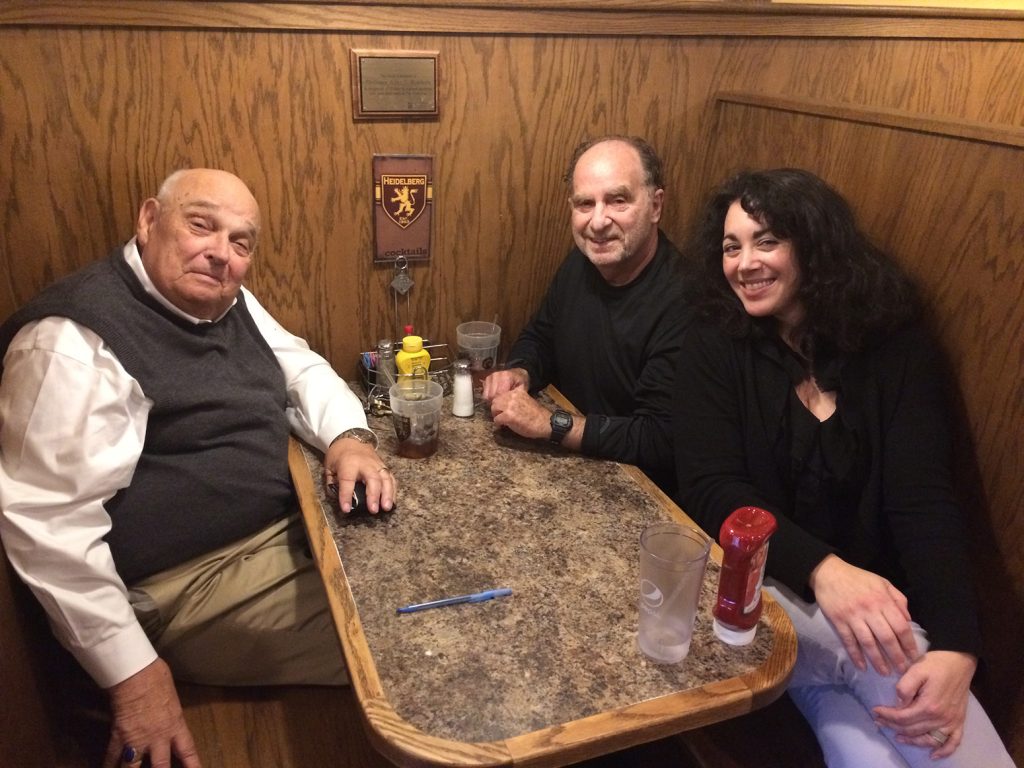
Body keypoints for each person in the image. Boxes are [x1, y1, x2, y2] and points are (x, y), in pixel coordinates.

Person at [0, 169, 396, 768]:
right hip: (184, 588)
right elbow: (48, 528)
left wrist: (349, 439)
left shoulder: (223, 296)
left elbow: (302, 368)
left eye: (241, 242)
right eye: (201, 225)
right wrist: (133, 675)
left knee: (428, 575)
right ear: (148, 219)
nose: (221, 254)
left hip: (279, 528)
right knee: (400, 641)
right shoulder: (70, 344)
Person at [673, 168, 1013, 767]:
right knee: (896, 668)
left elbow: (923, 501)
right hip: (764, 587)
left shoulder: (894, 347)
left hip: (873, 605)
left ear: (814, 244)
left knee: (872, 740)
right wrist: (824, 570)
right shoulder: (715, 338)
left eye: (766, 241)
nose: (744, 263)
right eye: (731, 247)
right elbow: (711, 487)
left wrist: (960, 649)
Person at [482, 136, 688, 495]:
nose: (597, 221)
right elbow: (542, 336)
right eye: (584, 204)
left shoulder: (685, 299)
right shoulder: (582, 263)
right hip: (576, 470)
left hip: (644, 496)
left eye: (617, 200)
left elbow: (657, 439)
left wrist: (551, 424)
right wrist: (520, 370)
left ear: (656, 205)